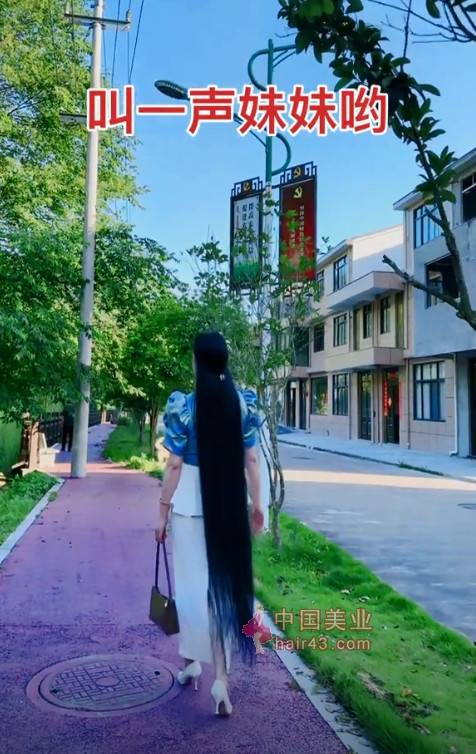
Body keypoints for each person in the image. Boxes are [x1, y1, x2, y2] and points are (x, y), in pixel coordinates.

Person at [155, 331, 264, 717]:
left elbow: (174, 464)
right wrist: (257, 504)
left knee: (189, 592)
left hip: (188, 506)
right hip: (228, 505)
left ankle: (191, 664)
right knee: (220, 590)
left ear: (198, 362)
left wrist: (162, 512)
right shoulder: (241, 404)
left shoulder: (184, 407)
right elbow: (252, 460)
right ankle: (219, 679)